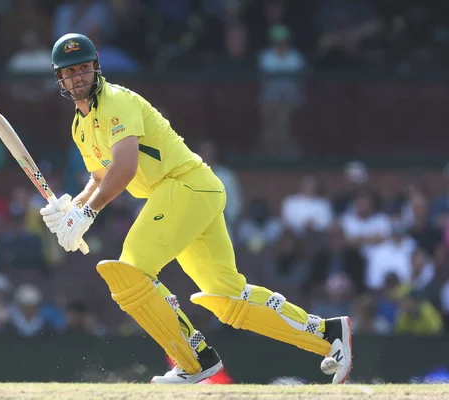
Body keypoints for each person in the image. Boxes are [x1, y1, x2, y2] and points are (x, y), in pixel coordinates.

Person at [40, 33, 353, 384]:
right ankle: (328, 334)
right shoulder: (80, 126)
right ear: (60, 78)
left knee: (131, 271)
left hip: (183, 185)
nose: (78, 76)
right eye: (70, 71)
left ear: (96, 67)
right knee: (227, 297)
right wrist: (73, 207)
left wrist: (87, 214)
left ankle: (195, 361)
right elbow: (99, 177)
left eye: (84, 67)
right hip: (190, 192)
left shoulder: (116, 101)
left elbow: (124, 169)